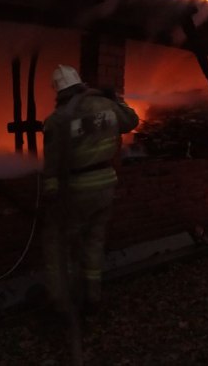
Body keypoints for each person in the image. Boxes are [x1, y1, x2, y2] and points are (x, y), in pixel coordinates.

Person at [41, 64, 139, 316]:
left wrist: (51, 192)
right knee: (94, 242)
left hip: (77, 189)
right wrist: (115, 99)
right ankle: (93, 296)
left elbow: (51, 164)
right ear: (79, 83)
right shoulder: (105, 105)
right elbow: (131, 121)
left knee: (61, 245)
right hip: (106, 185)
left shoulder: (58, 119)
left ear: (57, 91)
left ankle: (64, 302)